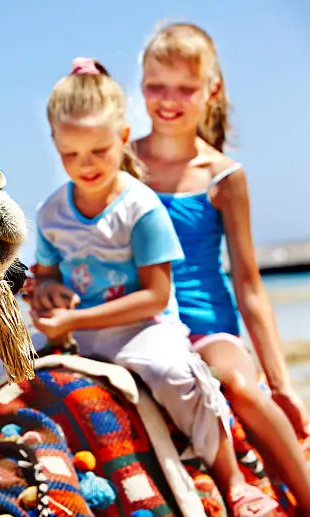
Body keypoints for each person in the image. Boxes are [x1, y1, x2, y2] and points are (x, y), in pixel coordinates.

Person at [26, 56, 278, 516]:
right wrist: (46, 293)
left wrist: (74, 317)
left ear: (122, 139)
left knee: (174, 375)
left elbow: (157, 296)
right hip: (77, 329)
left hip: (143, 327)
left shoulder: (141, 208)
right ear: (55, 145)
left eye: (99, 152)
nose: (85, 166)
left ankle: (234, 479)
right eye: (71, 155)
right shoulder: (50, 212)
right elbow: (45, 275)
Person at [133, 22, 310, 512]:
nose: (169, 99)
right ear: (139, 86)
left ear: (211, 91)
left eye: (185, 88)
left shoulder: (224, 177)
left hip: (208, 327)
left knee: (234, 382)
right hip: (139, 321)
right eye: (155, 86)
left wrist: (281, 382)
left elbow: (250, 288)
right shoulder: (120, 163)